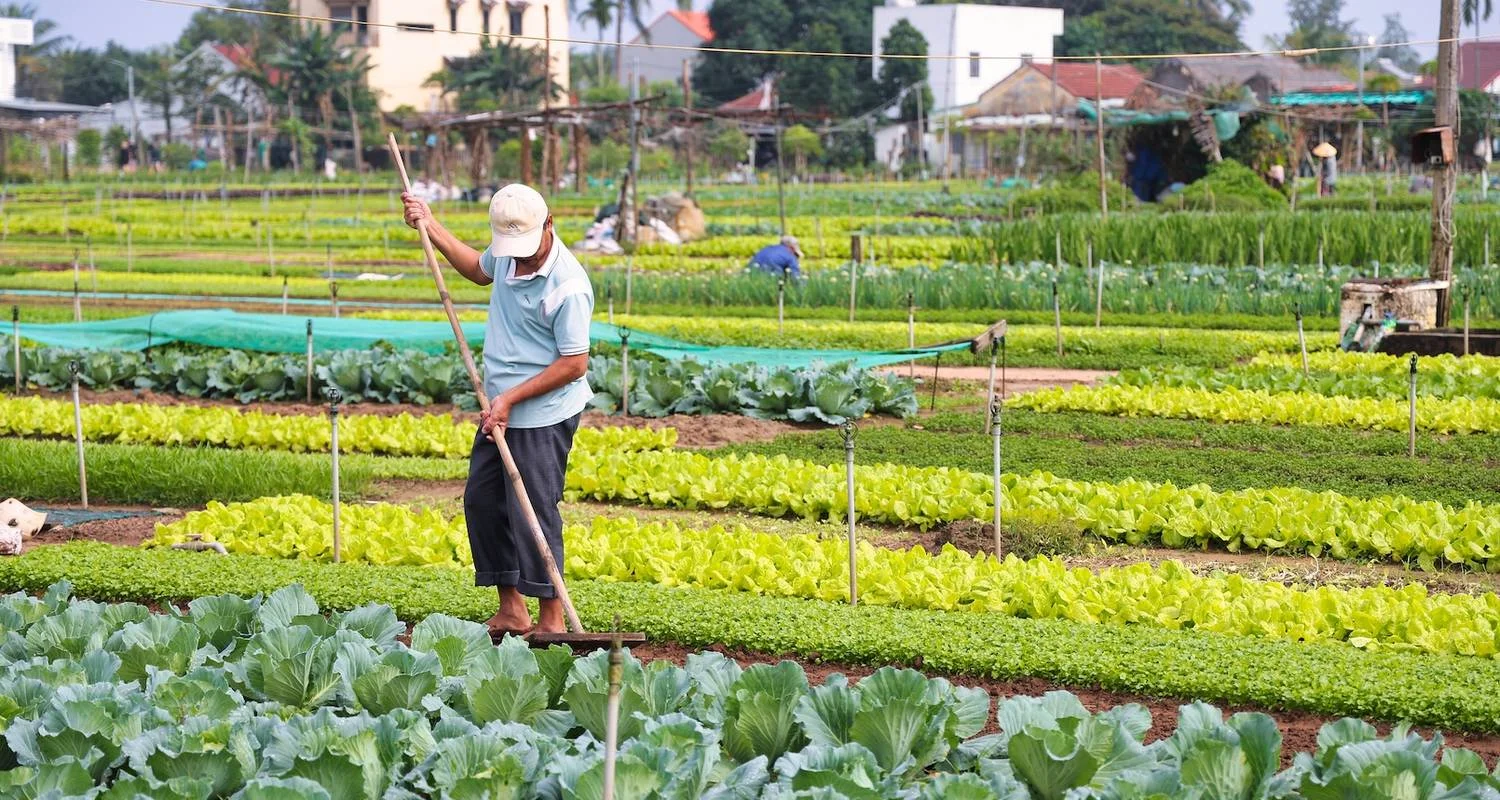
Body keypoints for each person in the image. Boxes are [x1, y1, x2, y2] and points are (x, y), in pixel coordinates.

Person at [401, 183, 595, 636]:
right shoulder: (509, 250)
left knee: (534, 510)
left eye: (526, 249)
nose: (519, 258)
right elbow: (477, 269)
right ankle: (512, 610)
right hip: (500, 408)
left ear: (549, 225)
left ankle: (551, 617)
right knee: (484, 501)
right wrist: (429, 224)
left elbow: (574, 363)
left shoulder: (568, 286)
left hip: (542, 411)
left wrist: (510, 399)